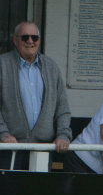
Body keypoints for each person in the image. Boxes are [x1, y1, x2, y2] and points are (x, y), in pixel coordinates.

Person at [0, 21, 71, 170]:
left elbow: (62, 108)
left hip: (43, 148)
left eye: (34, 37)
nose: (30, 41)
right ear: (15, 40)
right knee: (9, 191)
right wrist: (3, 133)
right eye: (25, 37)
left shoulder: (51, 67)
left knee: (38, 191)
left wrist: (63, 135)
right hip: (9, 147)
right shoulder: (2, 65)